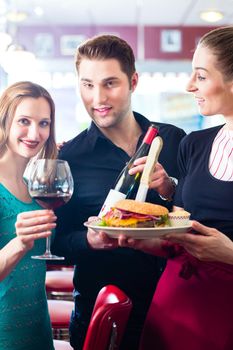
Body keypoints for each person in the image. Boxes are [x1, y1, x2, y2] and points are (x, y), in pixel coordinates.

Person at [51, 34, 186, 350]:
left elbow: (198, 214)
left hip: (174, 305)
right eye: (87, 85)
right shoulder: (69, 157)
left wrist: (169, 189)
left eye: (110, 83)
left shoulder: (174, 140)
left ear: (133, 82)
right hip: (103, 312)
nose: (97, 97)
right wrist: (89, 240)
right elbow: (57, 242)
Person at [119, 26, 233, 350]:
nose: (189, 86)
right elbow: (181, 228)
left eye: (201, 75)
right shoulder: (194, 145)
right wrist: (147, 241)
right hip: (176, 301)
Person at [0, 81, 58, 350]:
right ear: (5, 122)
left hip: (37, 328)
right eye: (24, 121)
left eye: (44, 123)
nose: (35, 133)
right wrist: (19, 244)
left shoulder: (35, 184)